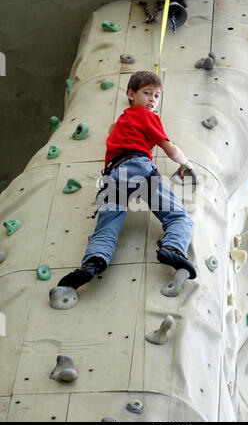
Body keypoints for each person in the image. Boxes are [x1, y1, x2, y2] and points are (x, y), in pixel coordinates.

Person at [56, 70, 196, 291]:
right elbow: (168, 147)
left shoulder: (120, 122)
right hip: (137, 168)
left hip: (112, 177)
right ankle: (173, 248)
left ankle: (92, 263)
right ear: (131, 94)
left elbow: (113, 136)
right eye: (147, 93)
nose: (152, 100)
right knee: (179, 217)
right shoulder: (147, 116)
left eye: (157, 96)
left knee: (107, 226)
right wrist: (186, 164)